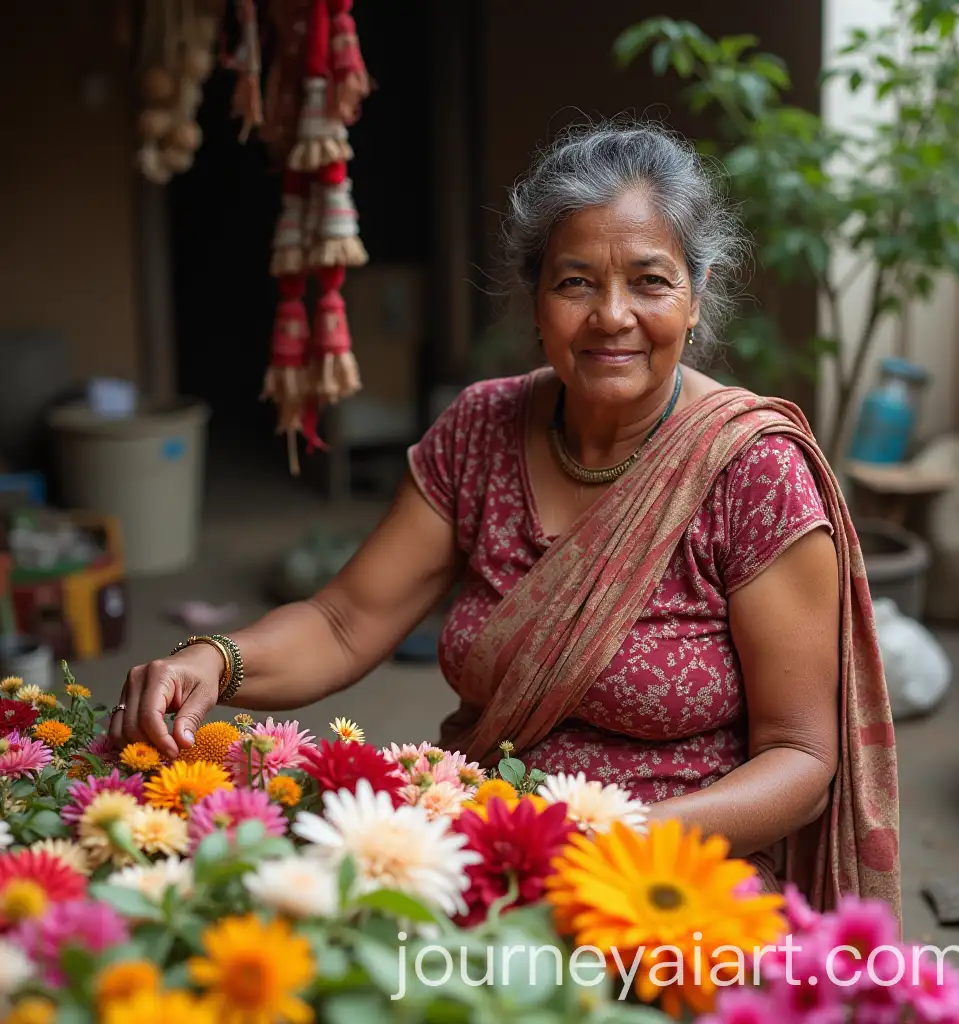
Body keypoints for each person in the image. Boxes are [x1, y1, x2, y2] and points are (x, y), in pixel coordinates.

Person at [110, 121, 900, 923]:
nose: (612, 316)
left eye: (651, 281)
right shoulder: (481, 429)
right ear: (536, 302)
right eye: (576, 283)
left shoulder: (753, 471)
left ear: (696, 299)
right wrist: (214, 659)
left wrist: (612, 838)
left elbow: (800, 759)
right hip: (487, 841)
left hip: (673, 875)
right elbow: (346, 622)